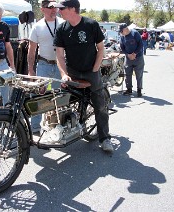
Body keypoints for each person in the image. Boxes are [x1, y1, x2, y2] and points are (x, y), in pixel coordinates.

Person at [53, 0, 114, 152]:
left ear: (72, 9)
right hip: (72, 72)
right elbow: (59, 55)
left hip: (91, 71)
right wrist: (64, 74)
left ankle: (105, 138)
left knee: (99, 105)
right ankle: (68, 128)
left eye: (62, 8)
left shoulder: (91, 24)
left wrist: (95, 68)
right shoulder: (62, 28)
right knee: (64, 101)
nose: (59, 11)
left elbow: (101, 49)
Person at [27, 0, 63, 133]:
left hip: (60, 67)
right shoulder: (37, 26)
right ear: (42, 9)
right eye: (50, 8)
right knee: (40, 96)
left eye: (56, 7)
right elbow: (31, 50)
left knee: (59, 97)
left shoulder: (63, 23)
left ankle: (56, 126)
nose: (54, 10)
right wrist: (31, 71)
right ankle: (35, 128)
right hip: (44, 66)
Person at [119, 23, 144, 97]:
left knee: (139, 74)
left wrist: (135, 53)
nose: (120, 32)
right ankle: (129, 89)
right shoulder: (122, 36)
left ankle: (139, 90)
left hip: (138, 57)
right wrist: (128, 54)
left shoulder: (135, 33)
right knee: (127, 74)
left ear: (126, 29)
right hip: (128, 58)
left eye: (121, 31)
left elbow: (140, 45)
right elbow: (122, 47)